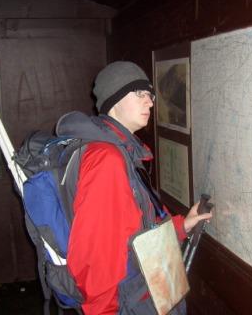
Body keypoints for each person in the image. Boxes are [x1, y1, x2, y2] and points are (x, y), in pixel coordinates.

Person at [57, 61, 212, 314]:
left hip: (143, 291)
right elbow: (96, 256)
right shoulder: (107, 160)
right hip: (130, 300)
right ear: (114, 99)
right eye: (139, 94)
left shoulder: (121, 149)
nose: (150, 102)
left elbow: (135, 231)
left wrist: (182, 225)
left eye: (150, 95)